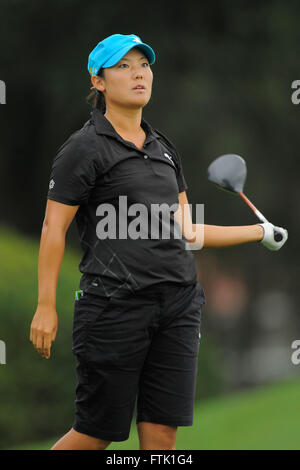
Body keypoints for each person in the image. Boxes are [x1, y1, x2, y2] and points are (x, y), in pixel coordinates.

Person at [29, 33, 288, 451]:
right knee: (95, 435)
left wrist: (259, 232)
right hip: (113, 307)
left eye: (144, 65)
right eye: (123, 66)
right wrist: (45, 305)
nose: (138, 74)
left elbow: (188, 231)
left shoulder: (163, 148)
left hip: (178, 306)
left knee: (162, 435)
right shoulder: (83, 148)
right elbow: (51, 229)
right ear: (98, 82)